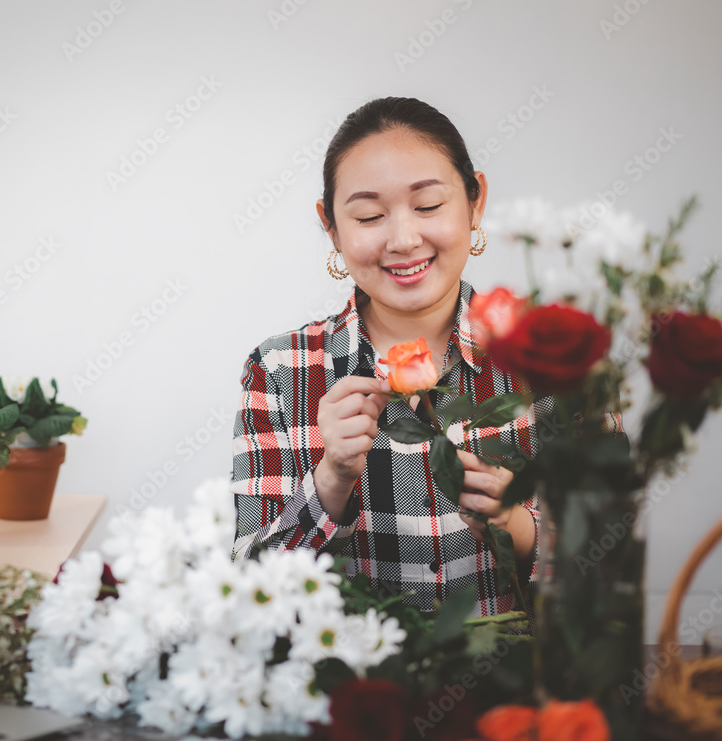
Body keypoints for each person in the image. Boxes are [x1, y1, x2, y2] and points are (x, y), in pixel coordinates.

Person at [230, 97, 550, 616]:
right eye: (369, 215)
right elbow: (249, 596)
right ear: (331, 227)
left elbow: (611, 571)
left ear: (475, 201)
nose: (403, 239)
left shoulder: (551, 358)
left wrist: (515, 524)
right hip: (353, 691)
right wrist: (330, 480)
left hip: (520, 689)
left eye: (428, 206)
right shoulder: (282, 370)